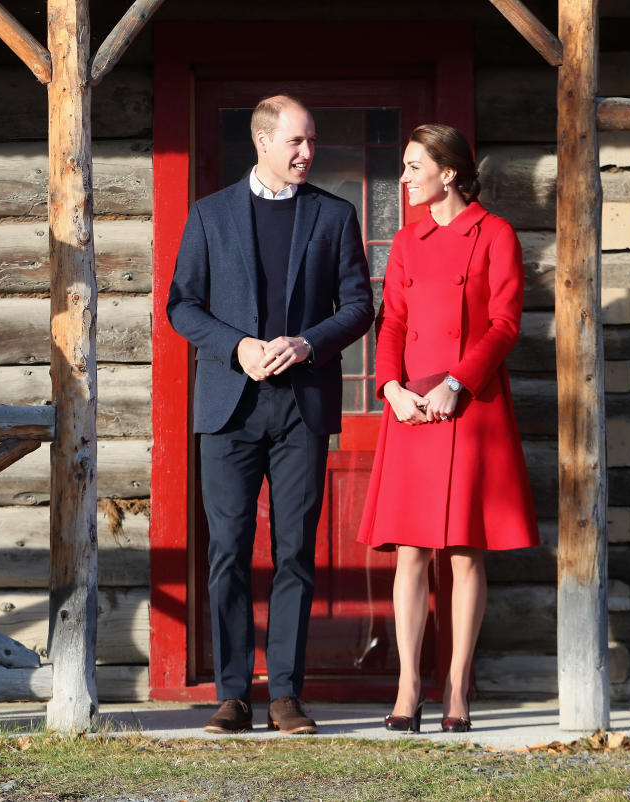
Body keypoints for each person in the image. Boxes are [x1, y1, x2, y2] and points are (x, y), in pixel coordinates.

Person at [167, 95, 374, 735]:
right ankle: (233, 695)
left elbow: (360, 305)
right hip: (228, 409)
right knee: (227, 551)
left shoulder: (334, 216)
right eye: (296, 142)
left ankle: (285, 694)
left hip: (302, 407)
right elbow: (182, 306)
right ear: (263, 142)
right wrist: (237, 346)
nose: (308, 153)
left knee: (295, 554)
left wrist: (308, 341)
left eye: (311, 142)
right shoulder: (208, 216)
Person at [357, 123, 538, 734]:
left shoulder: (496, 235)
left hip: (469, 402)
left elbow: (505, 324)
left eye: (413, 167)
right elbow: (391, 325)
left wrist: (455, 383)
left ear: (449, 173)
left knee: (463, 551)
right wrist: (390, 390)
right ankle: (409, 685)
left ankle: (456, 686)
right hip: (410, 408)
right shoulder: (407, 241)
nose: (403, 178)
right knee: (409, 550)